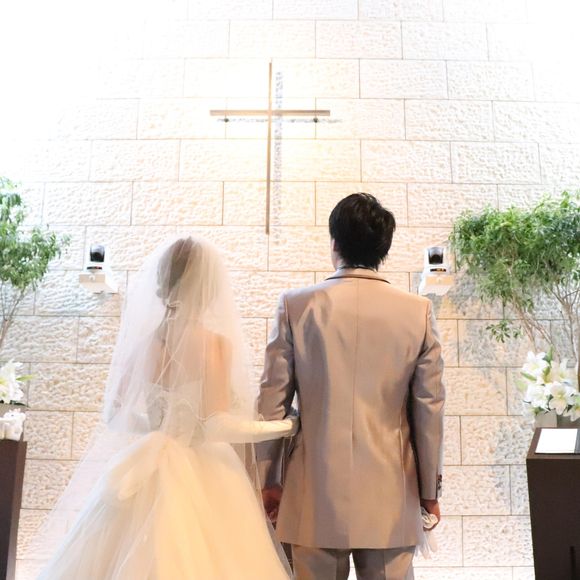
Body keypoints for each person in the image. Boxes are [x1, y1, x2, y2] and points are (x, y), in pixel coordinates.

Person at [32, 237, 297, 580]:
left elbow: (114, 415)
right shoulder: (215, 345)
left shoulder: (144, 344)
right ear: (206, 287)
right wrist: (286, 426)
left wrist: (160, 429)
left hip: (149, 460)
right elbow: (217, 424)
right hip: (203, 468)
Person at [257, 193, 445, 580]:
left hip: (313, 493)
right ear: (384, 249)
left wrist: (268, 479)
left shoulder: (296, 306)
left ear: (334, 243)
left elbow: (272, 405)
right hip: (391, 495)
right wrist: (429, 491)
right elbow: (429, 411)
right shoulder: (417, 312)